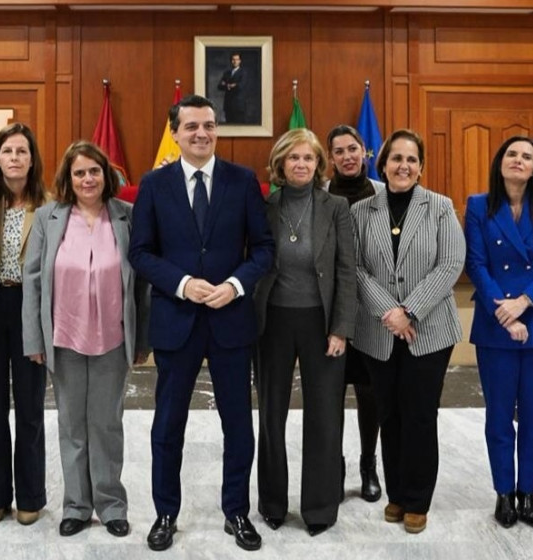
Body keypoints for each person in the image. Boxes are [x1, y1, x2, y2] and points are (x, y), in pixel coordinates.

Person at [128, 94, 274, 552]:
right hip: (177, 319)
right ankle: (165, 513)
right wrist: (183, 283)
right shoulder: (154, 184)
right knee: (168, 425)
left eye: (209, 126)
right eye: (191, 126)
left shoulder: (242, 180)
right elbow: (140, 252)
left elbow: (265, 249)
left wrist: (235, 284)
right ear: (175, 132)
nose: (202, 134)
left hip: (231, 319)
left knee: (238, 424)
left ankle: (236, 511)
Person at [22, 140, 150, 539]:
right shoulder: (49, 217)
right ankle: (76, 505)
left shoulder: (128, 216)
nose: (88, 179)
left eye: (94, 171)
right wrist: (33, 339)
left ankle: (112, 505)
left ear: (106, 175)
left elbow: (142, 284)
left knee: (107, 424)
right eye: (79, 172)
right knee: (71, 425)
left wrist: (142, 339)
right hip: (64, 336)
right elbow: (33, 281)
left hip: (114, 336)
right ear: (68, 178)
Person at [350, 129, 464, 535]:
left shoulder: (440, 207)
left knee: (419, 413)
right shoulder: (362, 211)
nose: (403, 166)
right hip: (379, 331)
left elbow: (451, 263)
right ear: (382, 165)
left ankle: (417, 499)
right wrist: (390, 312)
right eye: (396, 158)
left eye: (412, 159)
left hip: (429, 330)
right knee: (389, 412)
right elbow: (357, 269)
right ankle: (395, 494)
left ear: (421, 167)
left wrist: (410, 311)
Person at [464, 136, 533, 529]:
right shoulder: (478, 206)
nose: (519, 160)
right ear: (500, 161)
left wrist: (523, 303)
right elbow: (476, 265)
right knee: (497, 414)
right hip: (495, 324)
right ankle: (504, 492)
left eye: (527, 156)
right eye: (512, 154)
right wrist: (504, 312)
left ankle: (528, 492)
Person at [254, 128, 356, 537]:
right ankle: (272, 503)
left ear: (319, 164)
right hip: (273, 322)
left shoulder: (336, 207)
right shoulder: (266, 205)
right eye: (293, 158)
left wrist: (341, 328)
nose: (301, 164)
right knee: (271, 414)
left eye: (308, 158)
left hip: (322, 323)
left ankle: (319, 507)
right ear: (280, 163)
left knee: (325, 417)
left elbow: (347, 271)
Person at [0, 123, 48, 527]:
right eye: (7, 151)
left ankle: (31, 495)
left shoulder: (50, 206)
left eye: (22, 151)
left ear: (32, 159)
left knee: (31, 406)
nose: (15, 158)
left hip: (29, 309)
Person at [323, 124, 384, 503]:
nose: (347, 156)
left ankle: (368, 464)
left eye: (353, 149)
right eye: (339, 151)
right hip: (332, 312)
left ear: (366, 152)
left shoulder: (382, 192)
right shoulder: (320, 194)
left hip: (372, 311)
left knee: (369, 393)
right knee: (330, 393)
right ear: (330, 158)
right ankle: (335, 464)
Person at [217, 53, 246, 123]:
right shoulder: (226, 73)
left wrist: (226, 85)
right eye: (233, 59)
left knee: (238, 128)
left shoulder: (243, 73)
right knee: (229, 126)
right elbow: (219, 86)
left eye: (237, 59)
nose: (235, 61)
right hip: (228, 105)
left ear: (240, 61)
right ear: (231, 61)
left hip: (238, 106)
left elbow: (240, 86)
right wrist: (230, 85)